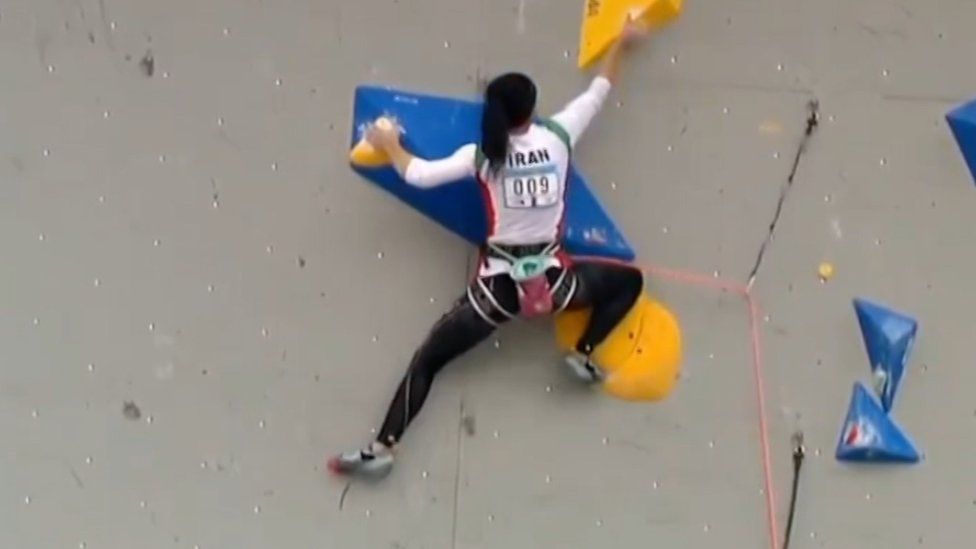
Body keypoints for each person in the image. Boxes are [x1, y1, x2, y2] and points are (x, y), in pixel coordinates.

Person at [328, 19, 649, 478]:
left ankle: (383, 446)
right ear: (532, 111)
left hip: (495, 292)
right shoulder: (559, 137)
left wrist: (389, 144)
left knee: (429, 361)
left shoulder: (481, 158)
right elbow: (600, 90)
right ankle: (584, 351)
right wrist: (622, 42)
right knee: (628, 282)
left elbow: (417, 174)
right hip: (556, 284)